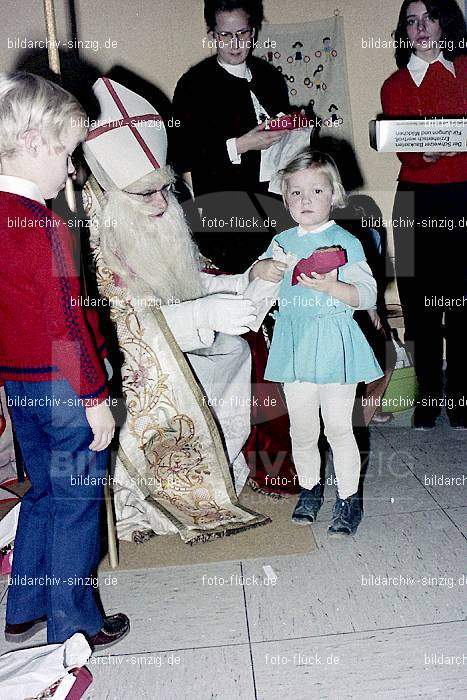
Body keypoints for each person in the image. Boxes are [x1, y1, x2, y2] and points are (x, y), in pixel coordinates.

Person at [82, 77, 270, 543]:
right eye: (147, 194)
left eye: (165, 188)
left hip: (178, 340)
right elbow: (126, 327)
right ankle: (137, 501)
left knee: (233, 352)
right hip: (130, 370)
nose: (163, 202)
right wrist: (205, 315)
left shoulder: (156, 208)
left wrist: (243, 282)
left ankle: (216, 476)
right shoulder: (95, 233)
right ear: (112, 193)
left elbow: (188, 275)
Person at [0, 72, 129, 648]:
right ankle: (75, 620)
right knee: (76, 499)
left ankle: (24, 604)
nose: (71, 170)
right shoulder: (46, 226)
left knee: (46, 491)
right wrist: (96, 397)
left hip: (19, 382)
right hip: (64, 387)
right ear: (31, 142)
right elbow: (68, 325)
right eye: (67, 153)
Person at [249, 150, 383, 536]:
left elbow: (368, 293)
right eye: (296, 193)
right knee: (302, 430)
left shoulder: (346, 241)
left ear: (333, 195)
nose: (305, 200)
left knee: (340, 428)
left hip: (335, 343)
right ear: (285, 197)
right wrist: (262, 268)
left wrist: (333, 286)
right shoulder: (282, 241)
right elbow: (255, 279)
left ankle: (349, 497)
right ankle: (309, 489)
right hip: (294, 344)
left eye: (316, 190)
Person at [381, 0, 467, 429]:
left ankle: (464, 399)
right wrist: (426, 153)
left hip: (464, 197)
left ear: (445, 22)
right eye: (411, 21)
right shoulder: (395, 84)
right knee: (418, 304)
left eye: (429, 18)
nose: (420, 28)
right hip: (415, 200)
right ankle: (428, 398)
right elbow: (405, 150)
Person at [172, 0, 291, 271]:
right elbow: (182, 155)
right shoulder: (194, 85)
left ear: (254, 32)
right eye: (225, 35)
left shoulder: (270, 78)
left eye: (243, 33)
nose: (235, 43)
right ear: (212, 35)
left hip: (276, 201)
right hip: (226, 212)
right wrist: (241, 145)